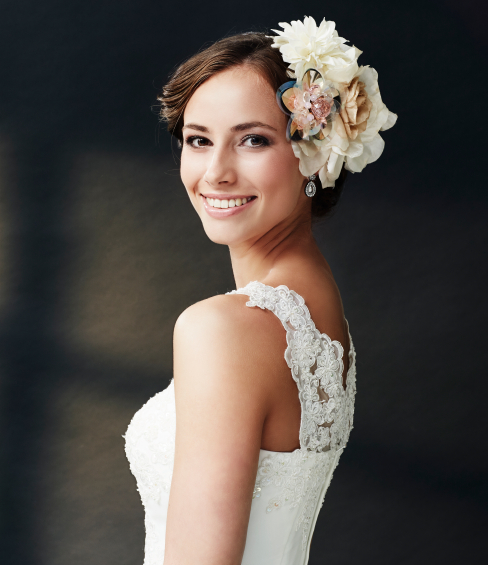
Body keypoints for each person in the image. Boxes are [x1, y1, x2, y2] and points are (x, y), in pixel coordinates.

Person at [124, 17, 396, 565]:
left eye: (253, 140)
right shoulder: (319, 305)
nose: (216, 172)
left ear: (316, 153)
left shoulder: (222, 329)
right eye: (198, 140)